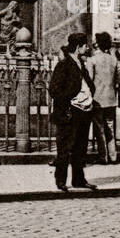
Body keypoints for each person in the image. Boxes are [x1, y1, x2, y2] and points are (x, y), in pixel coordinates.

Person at [48, 32, 97, 192]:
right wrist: (69, 103)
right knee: (65, 149)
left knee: (80, 148)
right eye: (85, 46)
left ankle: (78, 179)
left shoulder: (80, 64)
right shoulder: (64, 65)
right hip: (70, 113)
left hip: (83, 112)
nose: (87, 48)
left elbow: (87, 85)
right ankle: (61, 181)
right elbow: (54, 90)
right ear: (78, 48)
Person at [88, 31, 120, 164]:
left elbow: (90, 80)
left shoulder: (93, 60)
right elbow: (119, 79)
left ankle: (104, 157)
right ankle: (113, 156)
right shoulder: (114, 60)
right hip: (111, 99)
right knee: (110, 128)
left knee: (99, 129)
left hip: (97, 99)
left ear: (97, 44)